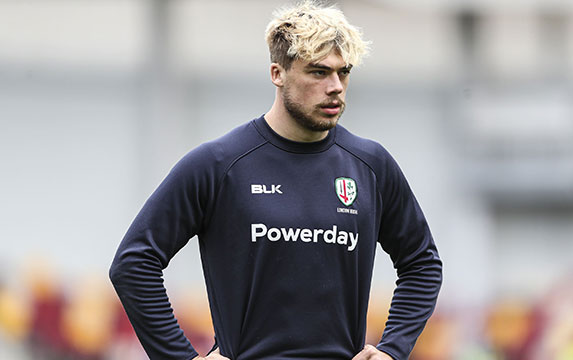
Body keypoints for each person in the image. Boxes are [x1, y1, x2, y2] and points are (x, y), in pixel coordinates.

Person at [109, 1, 443, 359]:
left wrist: (393, 349)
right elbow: (133, 264)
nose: (335, 87)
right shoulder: (219, 164)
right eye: (318, 72)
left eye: (343, 72)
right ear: (277, 73)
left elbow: (421, 262)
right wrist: (182, 357)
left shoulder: (371, 165)